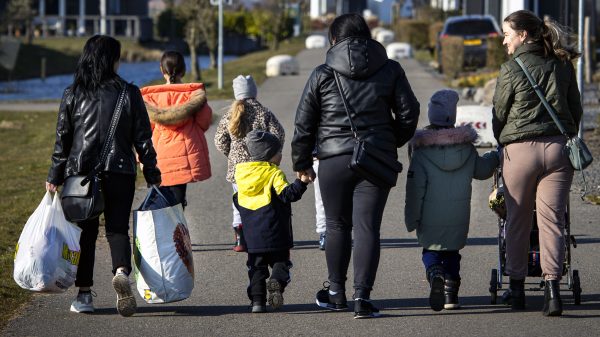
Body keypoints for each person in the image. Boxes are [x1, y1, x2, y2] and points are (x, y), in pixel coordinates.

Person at [292, 13, 420, 319]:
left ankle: (336, 293)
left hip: (333, 159)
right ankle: (363, 297)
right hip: (375, 160)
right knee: (367, 227)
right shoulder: (390, 69)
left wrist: (301, 162)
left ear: (334, 40)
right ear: (368, 35)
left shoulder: (322, 73)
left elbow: (303, 123)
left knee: (337, 224)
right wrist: (390, 142)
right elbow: (409, 113)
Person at [46, 35, 161, 317]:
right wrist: (151, 170)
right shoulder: (129, 92)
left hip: (80, 176)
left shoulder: (72, 93)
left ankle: (84, 295)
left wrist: (54, 175)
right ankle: (121, 271)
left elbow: (63, 139)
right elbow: (143, 138)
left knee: (84, 234)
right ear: (112, 60)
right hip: (120, 171)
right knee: (117, 229)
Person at [492, 10, 583, 316]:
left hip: (520, 152)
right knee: (552, 221)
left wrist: (502, 139)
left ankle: (516, 290)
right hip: (558, 149)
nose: (504, 40)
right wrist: (564, 134)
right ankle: (553, 291)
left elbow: (500, 113)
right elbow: (575, 109)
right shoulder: (562, 64)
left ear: (523, 35)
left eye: (507, 34)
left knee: (517, 221)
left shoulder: (511, 68)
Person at [405, 89, 498, 311]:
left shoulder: (421, 151)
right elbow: (482, 170)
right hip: (458, 216)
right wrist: (495, 156)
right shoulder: (465, 147)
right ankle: (451, 295)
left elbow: (414, 190)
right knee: (453, 253)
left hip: (429, 216)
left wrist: (412, 219)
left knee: (431, 251)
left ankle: (434, 273)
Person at [233, 130, 309, 313]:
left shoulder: (242, 174)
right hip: (275, 231)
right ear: (268, 155)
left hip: (252, 236)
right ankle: (277, 281)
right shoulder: (274, 173)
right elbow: (287, 195)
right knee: (281, 262)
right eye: (277, 152)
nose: (281, 155)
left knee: (256, 268)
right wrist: (302, 182)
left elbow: (237, 199)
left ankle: (257, 302)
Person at [214, 75, 285, 252]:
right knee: (262, 202)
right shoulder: (264, 112)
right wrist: (271, 154)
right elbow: (279, 134)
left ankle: (240, 238)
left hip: (238, 170)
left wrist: (231, 155)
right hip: (261, 167)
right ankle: (262, 235)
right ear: (254, 92)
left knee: (239, 202)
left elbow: (219, 140)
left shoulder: (230, 114)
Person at [140, 50, 212, 208]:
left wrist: (141, 159)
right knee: (178, 201)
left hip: (160, 156)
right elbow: (204, 122)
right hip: (184, 155)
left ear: (161, 69)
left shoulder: (150, 99)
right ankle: (177, 229)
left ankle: (164, 230)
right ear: (184, 70)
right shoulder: (194, 97)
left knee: (162, 199)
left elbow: (143, 132)